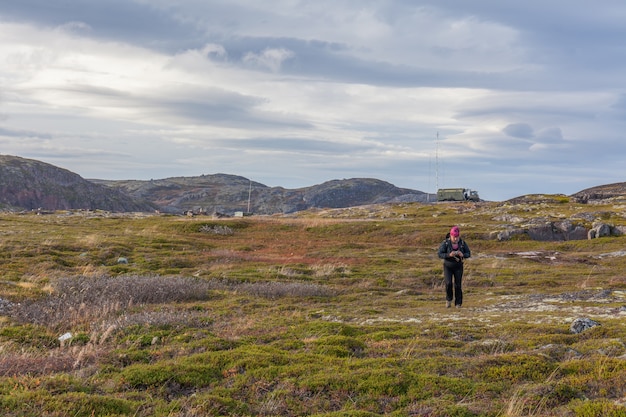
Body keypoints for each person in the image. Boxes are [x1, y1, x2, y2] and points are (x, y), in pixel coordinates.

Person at [437, 226, 471, 308]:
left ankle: (458, 303)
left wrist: (463, 255)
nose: (455, 239)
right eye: (454, 237)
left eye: (457, 237)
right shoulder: (445, 243)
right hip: (448, 266)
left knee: (458, 285)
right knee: (448, 283)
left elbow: (468, 253)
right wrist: (449, 255)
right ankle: (449, 299)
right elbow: (439, 254)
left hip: (458, 266)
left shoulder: (462, 243)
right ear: (451, 236)